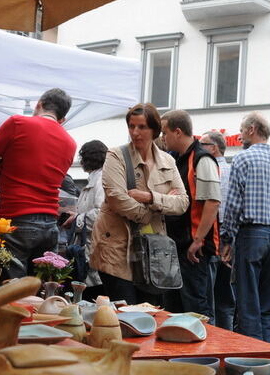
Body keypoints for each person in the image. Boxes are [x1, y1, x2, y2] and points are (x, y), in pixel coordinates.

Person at [90, 103, 188, 305]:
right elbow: (118, 199)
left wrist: (149, 198)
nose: (135, 132)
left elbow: (183, 203)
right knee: (124, 315)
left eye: (142, 127)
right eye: (131, 126)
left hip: (153, 254)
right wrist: (155, 209)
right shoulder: (116, 155)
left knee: (149, 314)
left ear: (154, 130)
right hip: (116, 249)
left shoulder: (168, 161)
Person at [0, 88, 77, 279]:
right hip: (49, 225)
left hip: (15, 221)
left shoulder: (17, 123)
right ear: (62, 120)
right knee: (39, 295)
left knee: (10, 295)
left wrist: (8, 179)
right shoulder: (70, 143)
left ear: (39, 104)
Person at [219, 112, 270, 342]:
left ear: (251, 129)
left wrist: (227, 238)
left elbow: (233, 203)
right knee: (267, 307)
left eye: (241, 131)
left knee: (248, 306)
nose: (239, 136)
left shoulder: (243, 159)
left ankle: (253, 367)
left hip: (252, 236)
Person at [161, 110, 221, 323]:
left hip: (193, 249)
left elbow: (212, 202)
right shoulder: (177, 159)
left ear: (177, 132)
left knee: (196, 310)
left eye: (165, 132)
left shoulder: (202, 159)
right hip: (178, 246)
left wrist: (198, 241)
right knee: (175, 310)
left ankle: (203, 357)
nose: (163, 138)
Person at [63, 140, 107, 298]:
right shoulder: (95, 179)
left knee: (93, 295)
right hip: (88, 249)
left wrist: (77, 220)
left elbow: (101, 213)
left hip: (95, 250)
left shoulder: (101, 180)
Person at [201, 130, 235, 331]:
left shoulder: (211, 170)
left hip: (214, 236)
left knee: (209, 294)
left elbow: (215, 207)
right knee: (226, 294)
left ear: (213, 148)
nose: (199, 148)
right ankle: (228, 337)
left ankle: (212, 339)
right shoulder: (232, 170)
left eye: (202, 144)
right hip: (229, 238)